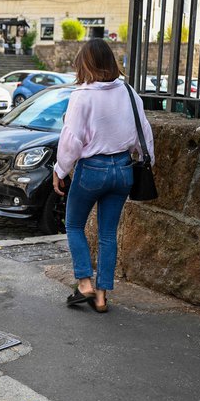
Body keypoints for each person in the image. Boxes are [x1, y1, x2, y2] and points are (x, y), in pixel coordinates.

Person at [53, 39, 155, 313]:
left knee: (74, 224)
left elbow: (72, 140)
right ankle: (101, 297)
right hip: (123, 170)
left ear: (85, 63)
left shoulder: (82, 95)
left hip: (92, 170)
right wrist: (148, 162)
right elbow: (143, 132)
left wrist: (59, 170)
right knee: (108, 233)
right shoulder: (129, 92)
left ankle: (84, 282)